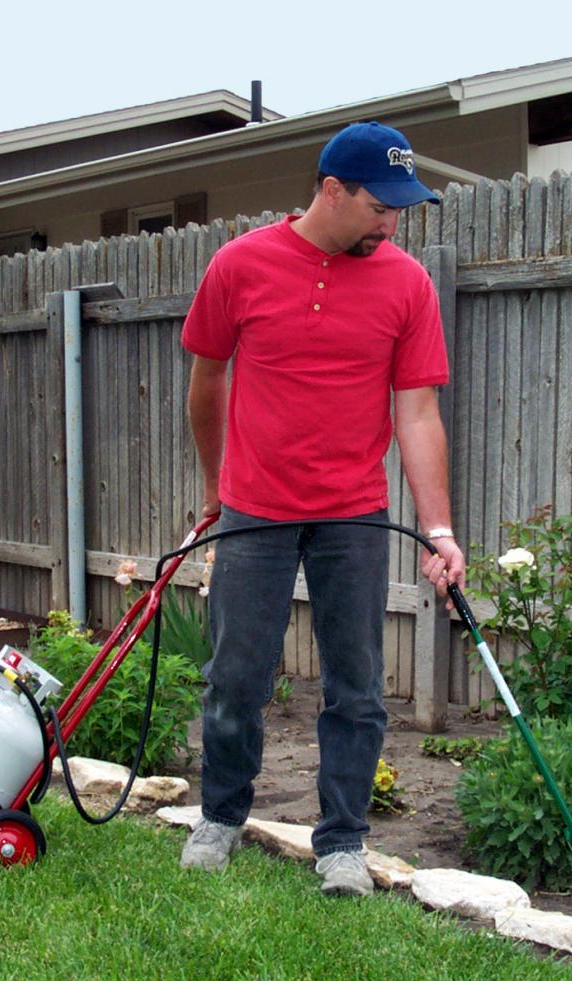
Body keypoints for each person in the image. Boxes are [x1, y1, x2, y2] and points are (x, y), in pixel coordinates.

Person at [178, 121, 466, 896]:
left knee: (357, 685)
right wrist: (217, 487)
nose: (392, 223)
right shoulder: (240, 266)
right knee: (237, 674)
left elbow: (417, 414)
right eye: (380, 206)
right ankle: (222, 814)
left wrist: (437, 529)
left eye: (402, 209)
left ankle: (342, 842)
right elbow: (208, 382)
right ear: (331, 191)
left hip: (355, 514)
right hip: (256, 507)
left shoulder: (407, 283)